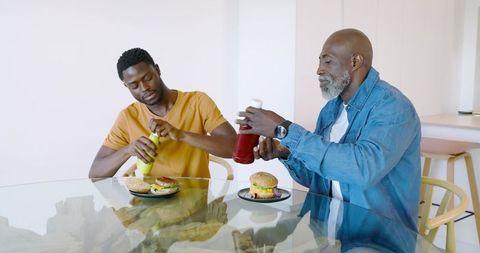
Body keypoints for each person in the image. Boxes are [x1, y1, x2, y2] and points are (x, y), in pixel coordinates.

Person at [237, 28, 421, 231]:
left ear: (354, 62)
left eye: (328, 61)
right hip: (325, 230)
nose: (319, 70)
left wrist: (285, 130)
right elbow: (318, 177)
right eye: (319, 62)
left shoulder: (393, 106)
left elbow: (363, 169)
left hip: (376, 236)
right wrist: (287, 151)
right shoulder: (331, 110)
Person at [89, 48, 237, 179]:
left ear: (157, 70)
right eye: (134, 85)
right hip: (152, 206)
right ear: (126, 86)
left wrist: (181, 135)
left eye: (148, 78)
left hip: (196, 206)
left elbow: (234, 148)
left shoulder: (197, 102)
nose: (144, 88)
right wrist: (128, 150)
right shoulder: (128, 117)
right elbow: (95, 173)